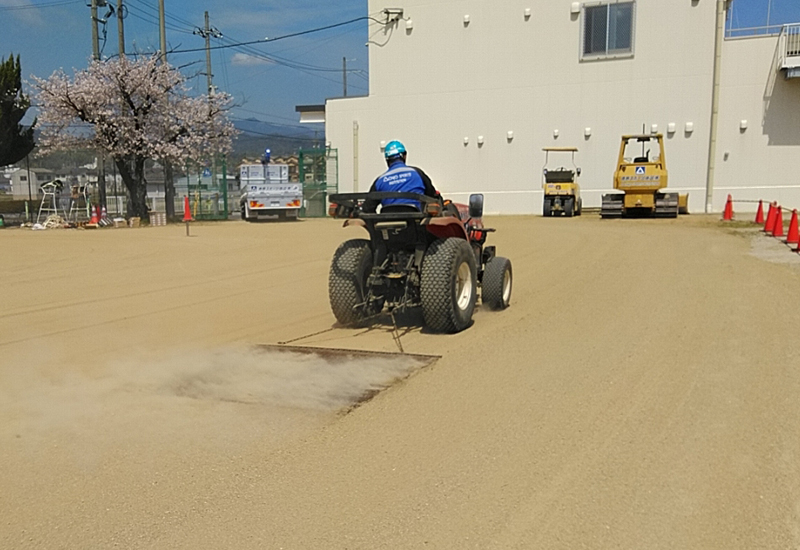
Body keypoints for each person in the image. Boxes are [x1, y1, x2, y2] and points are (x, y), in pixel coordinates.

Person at [362, 140, 439, 213]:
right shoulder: (417, 173)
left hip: (387, 224)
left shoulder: (379, 181)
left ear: (387, 160)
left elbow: (367, 209)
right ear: (404, 156)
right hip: (416, 224)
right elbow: (433, 197)